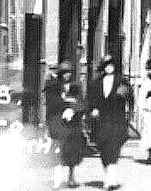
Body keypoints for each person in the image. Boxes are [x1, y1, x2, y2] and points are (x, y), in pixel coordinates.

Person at [87, 55, 130, 189]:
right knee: (103, 149)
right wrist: (93, 109)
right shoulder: (96, 82)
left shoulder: (121, 81)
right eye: (106, 65)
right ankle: (109, 177)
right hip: (101, 121)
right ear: (103, 67)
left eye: (111, 64)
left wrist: (125, 94)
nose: (109, 67)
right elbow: (91, 98)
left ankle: (111, 180)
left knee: (113, 148)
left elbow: (129, 96)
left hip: (116, 120)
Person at [44, 61, 84, 189]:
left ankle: (71, 177)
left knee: (72, 151)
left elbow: (82, 103)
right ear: (60, 74)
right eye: (64, 73)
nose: (67, 75)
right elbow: (51, 104)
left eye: (69, 73)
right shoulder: (53, 86)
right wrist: (66, 106)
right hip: (58, 123)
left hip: (73, 125)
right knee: (57, 150)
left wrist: (74, 109)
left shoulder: (76, 87)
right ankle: (57, 179)